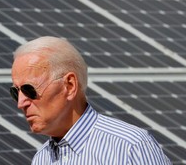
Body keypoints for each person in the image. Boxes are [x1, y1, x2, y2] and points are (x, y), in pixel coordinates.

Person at [10, 36, 172, 164]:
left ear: (70, 85)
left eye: (29, 90)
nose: (21, 103)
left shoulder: (130, 147)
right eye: (16, 92)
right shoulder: (41, 159)